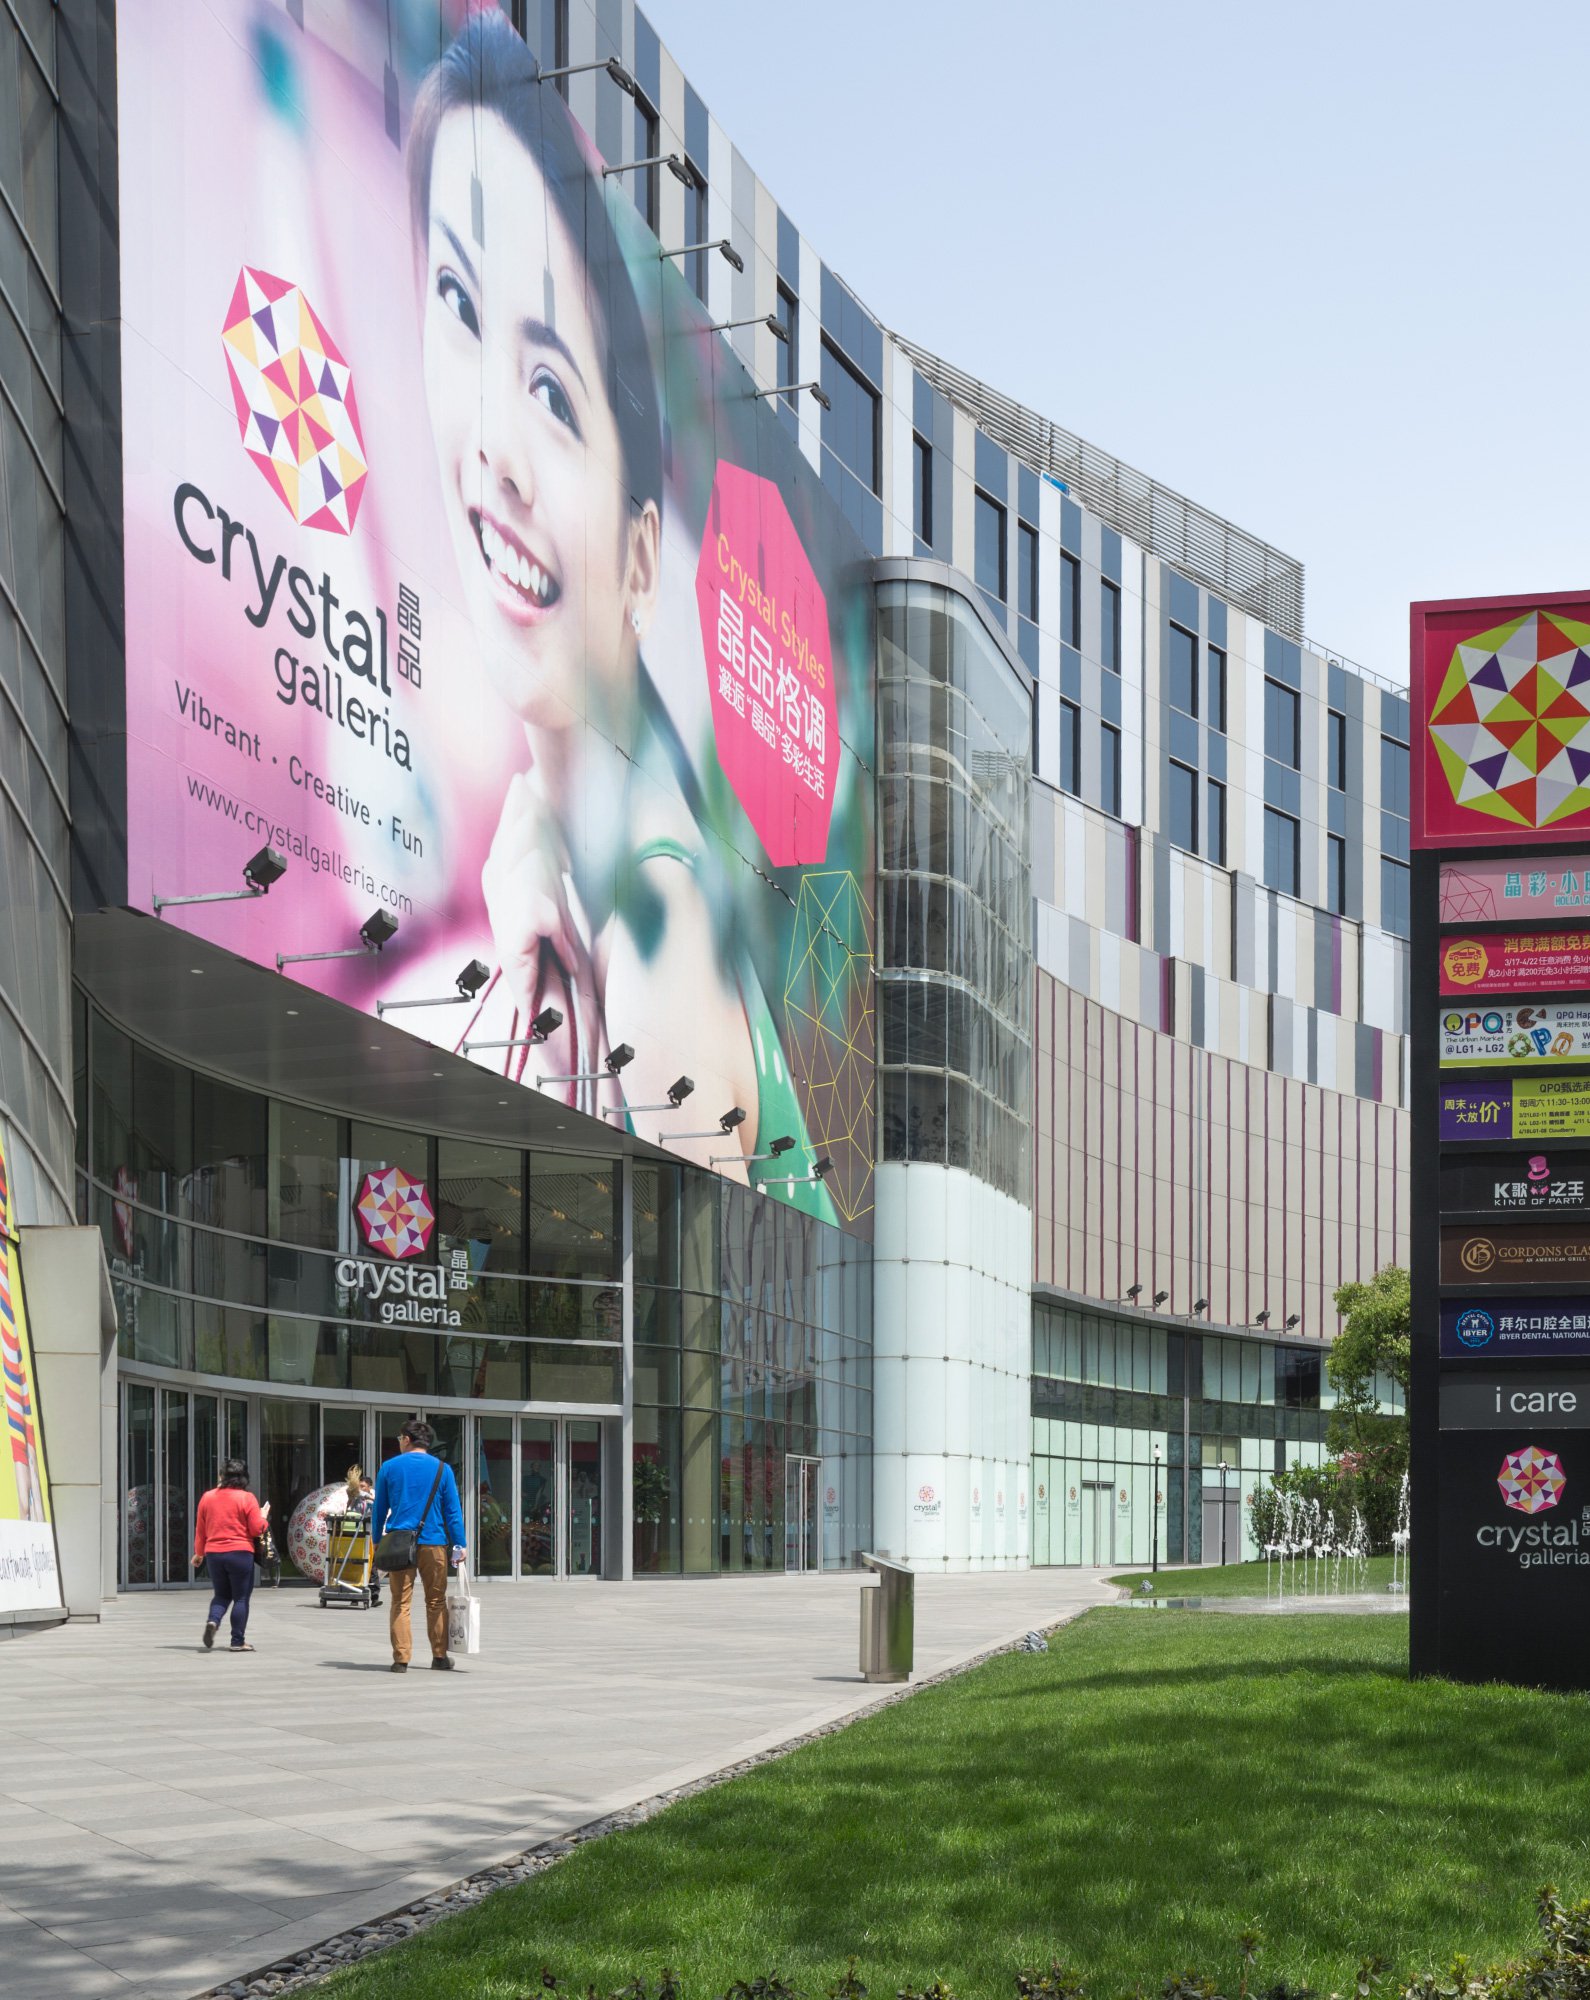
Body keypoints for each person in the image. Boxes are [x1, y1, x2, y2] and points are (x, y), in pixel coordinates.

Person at [405, 17, 820, 1185]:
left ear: (644, 560)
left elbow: (691, 1341)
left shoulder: (654, 926)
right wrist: (526, 830)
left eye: (551, 388)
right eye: (458, 298)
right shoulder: (613, 848)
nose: (493, 444)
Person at [371, 1422, 466, 1672]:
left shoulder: (389, 1468)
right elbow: (453, 1512)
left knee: (400, 1602)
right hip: (433, 1542)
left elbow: (379, 1509)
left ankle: (401, 1659)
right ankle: (439, 1657)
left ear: (406, 1439)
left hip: (399, 1543)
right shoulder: (442, 1470)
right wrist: (460, 1544)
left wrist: (377, 1540)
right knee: (435, 1601)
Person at [193, 1458, 268, 1653]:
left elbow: (200, 1530)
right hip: (240, 1553)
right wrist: (264, 1518)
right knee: (241, 1598)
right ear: (244, 1478)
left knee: (221, 1595)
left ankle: (213, 1621)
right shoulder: (247, 1498)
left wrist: (199, 1554)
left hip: (214, 1554)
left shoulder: (207, 1497)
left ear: (222, 1476)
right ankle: (237, 1641)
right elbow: (256, 1528)